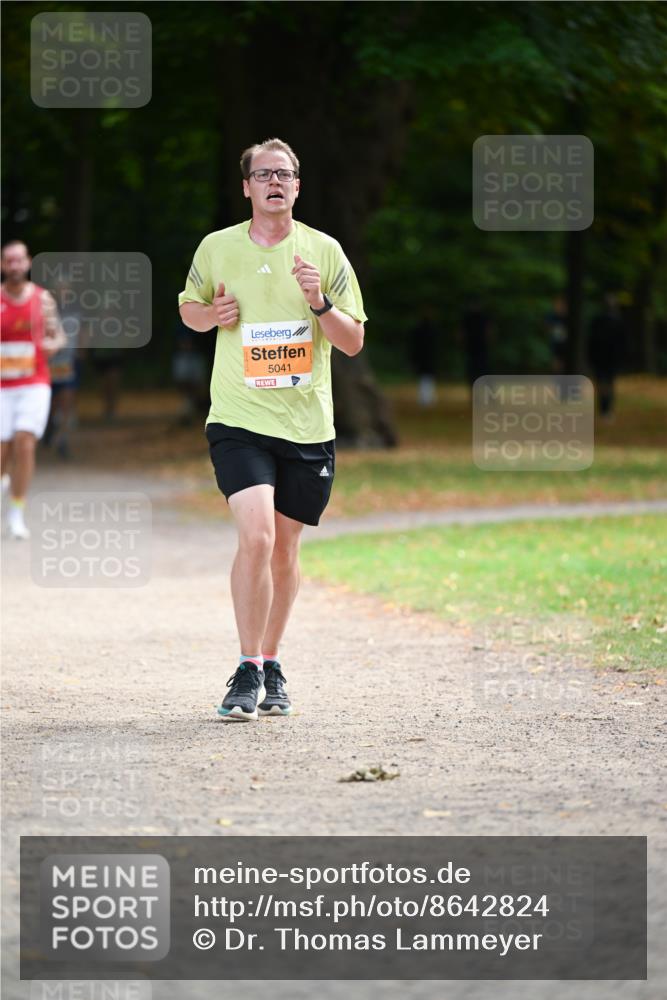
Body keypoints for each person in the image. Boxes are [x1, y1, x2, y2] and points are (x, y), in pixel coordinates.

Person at [179, 137, 366, 722]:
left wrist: (318, 302)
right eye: (263, 174)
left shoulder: (324, 252)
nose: (274, 182)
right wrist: (214, 315)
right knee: (256, 537)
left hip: (307, 423)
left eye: (284, 174)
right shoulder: (217, 248)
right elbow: (188, 308)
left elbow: (354, 341)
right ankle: (246, 667)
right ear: (247, 187)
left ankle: (272, 658)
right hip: (237, 417)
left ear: (297, 186)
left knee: (284, 551)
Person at [1, 241, 66, 538]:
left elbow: (58, 336)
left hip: (34, 382)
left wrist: (50, 345)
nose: (14, 266)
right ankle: (4, 481)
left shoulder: (42, 300)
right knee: (3, 449)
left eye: (19, 260)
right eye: (9, 261)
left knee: (24, 442)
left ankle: (16, 513)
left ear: (27, 263)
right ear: (3, 266)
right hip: (3, 385)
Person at [588, 292, 625, 422]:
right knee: (606, 384)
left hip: (607, 359)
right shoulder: (602, 321)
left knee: (606, 384)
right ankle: (605, 409)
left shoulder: (614, 321)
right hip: (603, 358)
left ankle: (606, 409)